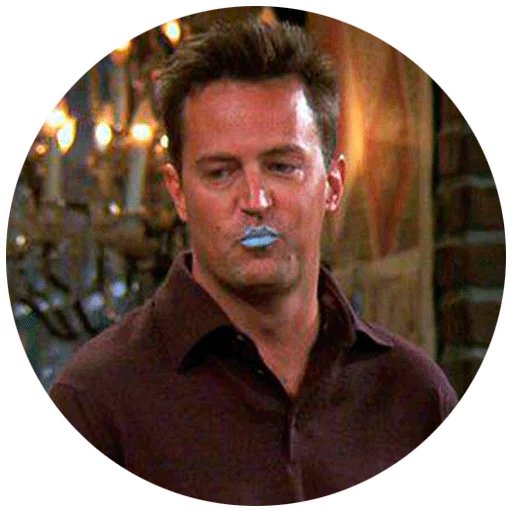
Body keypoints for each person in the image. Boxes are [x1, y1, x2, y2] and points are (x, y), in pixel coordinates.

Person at [49, 20, 458, 505]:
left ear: (333, 186)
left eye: (282, 166)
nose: (255, 201)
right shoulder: (95, 400)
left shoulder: (414, 394)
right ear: (178, 194)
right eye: (221, 173)